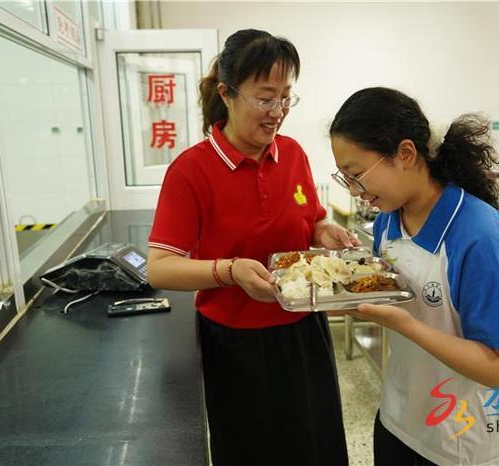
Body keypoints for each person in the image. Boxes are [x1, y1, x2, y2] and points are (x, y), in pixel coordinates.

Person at [147, 29, 354, 466]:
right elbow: (160, 268)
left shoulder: (293, 154)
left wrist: (324, 228)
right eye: (265, 99)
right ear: (227, 93)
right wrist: (230, 271)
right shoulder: (191, 171)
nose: (277, 112)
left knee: (316, 448)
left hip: (303, 333)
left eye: (286, 98)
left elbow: (310, 216)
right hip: (234, 345)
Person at [329, 87, 499, 466]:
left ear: (405, 154)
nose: (356, 192)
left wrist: (405, 324)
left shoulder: (478, 234)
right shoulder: (389, 219)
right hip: (399, 421)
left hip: (464, 443)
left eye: (357, 175)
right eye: (345, 179)